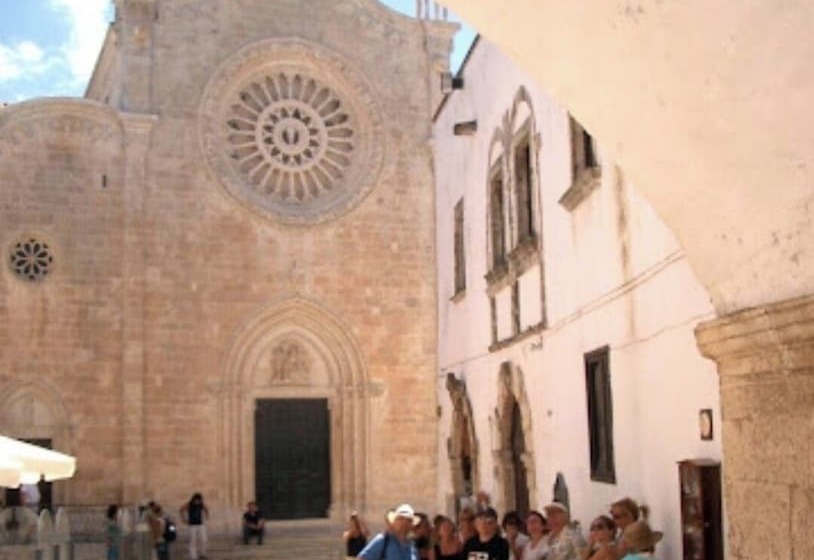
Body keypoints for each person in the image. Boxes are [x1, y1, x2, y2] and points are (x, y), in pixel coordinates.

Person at [180, 493, 209, 560]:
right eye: (197, 500)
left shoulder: (201, 504)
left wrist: (207, 515)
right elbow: (181, 509)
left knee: (204, 539)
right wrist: (183, 518)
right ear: (194, 499)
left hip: (200, 524)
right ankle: (193, 557)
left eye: (199, 500)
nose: (198, 502)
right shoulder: (189, 504)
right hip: (192, 525)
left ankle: (202, 554)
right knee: (192, 541)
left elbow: (206, 508)